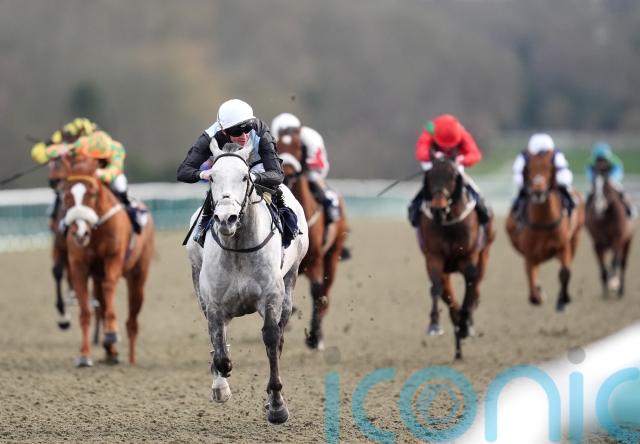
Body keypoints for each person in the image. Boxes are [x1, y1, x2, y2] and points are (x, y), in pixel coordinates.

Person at [177, 99, 284, 246]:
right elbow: (183, 172)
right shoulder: (209, 136)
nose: (244, 136)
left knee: (276, 190)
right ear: (223, 131)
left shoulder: (261, 133)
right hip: (226, 172)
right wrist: (203, 174)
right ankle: (203, 223)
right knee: (219, 183)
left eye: (247, 129)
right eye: (236, 131)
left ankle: (287, 228)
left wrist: (252, 177)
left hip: (257, 167)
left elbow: (278, 175)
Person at [48, 130, 148, 233]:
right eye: (94, 157)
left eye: (100, 159)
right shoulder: (82, 144)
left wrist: (100, 173)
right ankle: (64, 218)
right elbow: (52, 151)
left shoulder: (117, 149)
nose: (97, 160)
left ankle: (132, 210)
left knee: (120, 185)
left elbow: (115, 169)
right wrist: (61, 151)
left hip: (108, 173)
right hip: (88, 173)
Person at [408, 113, 491, 227]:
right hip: (434, 164)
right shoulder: (430, 129)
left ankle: (481, 205)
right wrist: (433, 156)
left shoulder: (461, 131)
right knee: (429, 182)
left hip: (454, 164)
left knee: (467, 182)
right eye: (443, 145)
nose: (447, 148)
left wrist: (463, 159)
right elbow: (421, 151)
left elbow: (475, 154)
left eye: (450, 145)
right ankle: (415, 207)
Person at [270, 112, 341, 223]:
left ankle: (329, 203)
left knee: (313, 177)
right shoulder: (273, 139)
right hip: (283, 170)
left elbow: (318, 164)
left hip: (307, 169)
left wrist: (302, 171)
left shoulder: (310, 139)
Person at [31, 118, 98, 229]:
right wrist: (50, 144)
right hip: (69, 180)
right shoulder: (62, 146)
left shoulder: (90, 142)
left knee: (118, 185)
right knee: (61, 192)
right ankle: (57, 221)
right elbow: (38, 154)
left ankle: (127, 206)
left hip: (91, 177)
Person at [511, 133, 576, 218]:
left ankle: (569, 208)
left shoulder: (555, 155)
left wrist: (560, 181)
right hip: (530, 185)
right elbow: (518, 171)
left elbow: (563, 171)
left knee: (565, 195)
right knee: (520, 198)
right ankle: (517, 212)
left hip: (552, 185)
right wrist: (523, 183)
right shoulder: (526, 156)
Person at [586, 141, 635, 217]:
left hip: (611, 180)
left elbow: (618, 173)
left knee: (620, 190)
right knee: (589, 193)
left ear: (607, 160)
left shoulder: (615, 163)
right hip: (597, 181)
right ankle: (585, 211)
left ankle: (629, 208)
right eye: (599, 160)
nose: (601, 163)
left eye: (603, 160)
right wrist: (594, 179)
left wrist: (610, 178)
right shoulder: (590, 164)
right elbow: (589, 174)